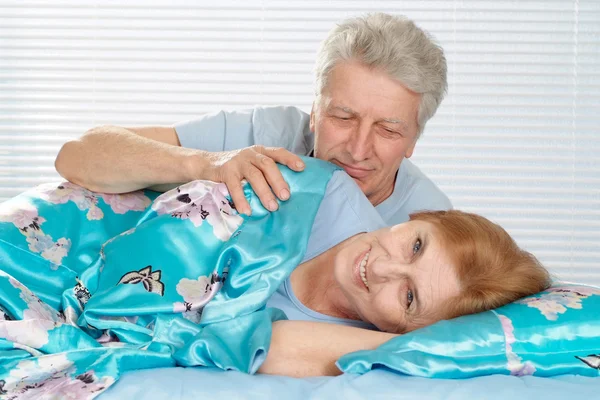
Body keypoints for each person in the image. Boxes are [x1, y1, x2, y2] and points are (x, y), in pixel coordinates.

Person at [54, 13, 451, 226]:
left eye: (387, 129)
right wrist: (209, 164)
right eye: (343, 116)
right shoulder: (267, 133)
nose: (358, 149)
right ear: (314, 111)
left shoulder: (430, 223)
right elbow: (78, 155)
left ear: (414, 138)